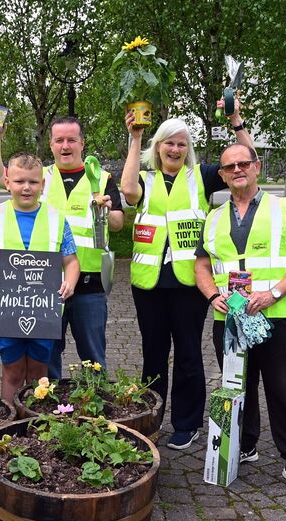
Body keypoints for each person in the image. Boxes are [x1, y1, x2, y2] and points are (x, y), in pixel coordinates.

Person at [119, 98, 254, 450]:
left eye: (181, 143)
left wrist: (236, 120)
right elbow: (128, 191)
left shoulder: (201, 177)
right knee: (153, 353)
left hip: (190, 283)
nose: (175, 149)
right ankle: (149, 418)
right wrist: (134, 138)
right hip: (148, 283)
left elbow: (247, 160)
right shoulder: (146, 178)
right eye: (168, 142)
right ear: (158, 147)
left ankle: (186, 422)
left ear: (188, 149)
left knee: (189, 353)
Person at [194, 143, 286, 495]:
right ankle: (244, 446)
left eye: (243, 163)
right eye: (229, 167)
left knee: (284, 392)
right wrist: (213, 295)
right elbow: (201, 265)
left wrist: (273, 294)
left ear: (257, 167)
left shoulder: (282, 209)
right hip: (231, 322)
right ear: (222, 175)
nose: (237, 170)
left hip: (278, 319)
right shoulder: (214, 218)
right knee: (237, 389)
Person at [0, 117, 123, 379]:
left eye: (71, 140)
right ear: (51, 144)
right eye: (59, 140)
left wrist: (105, 211)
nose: (65, 146)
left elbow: (117, 223)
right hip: (43, 286)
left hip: (89, 284)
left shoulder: (101, 179)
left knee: (94, 359)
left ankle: (94, 412)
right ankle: (53, 412)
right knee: (47, 361)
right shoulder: (39, 176)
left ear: (82, 143)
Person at [0, 152, 79, 403]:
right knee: (13, 370)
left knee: (40, 372)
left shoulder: (57, 218)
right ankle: (10, 423)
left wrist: (70, 282)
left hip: (44, 310)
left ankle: (36, 424)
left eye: (33, 182)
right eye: (19, 181)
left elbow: (71, 260)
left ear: (42, 184)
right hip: (7, 310)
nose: (26, 188)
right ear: (7, 182)